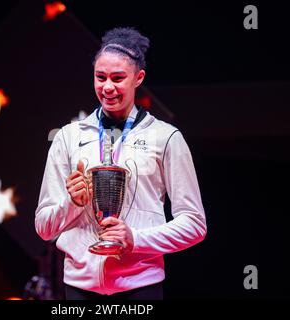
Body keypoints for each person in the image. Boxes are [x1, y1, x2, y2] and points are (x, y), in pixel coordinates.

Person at [35, 27, 207, 300]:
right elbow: (44, 228)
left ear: (138, 78)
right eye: (100, 77)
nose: (107, 87)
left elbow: (195, 224)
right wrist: (72, 203)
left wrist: (136, 239)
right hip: (79, 288)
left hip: (140, 286)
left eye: (118, 78)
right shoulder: (68, 138)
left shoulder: (165, 138)